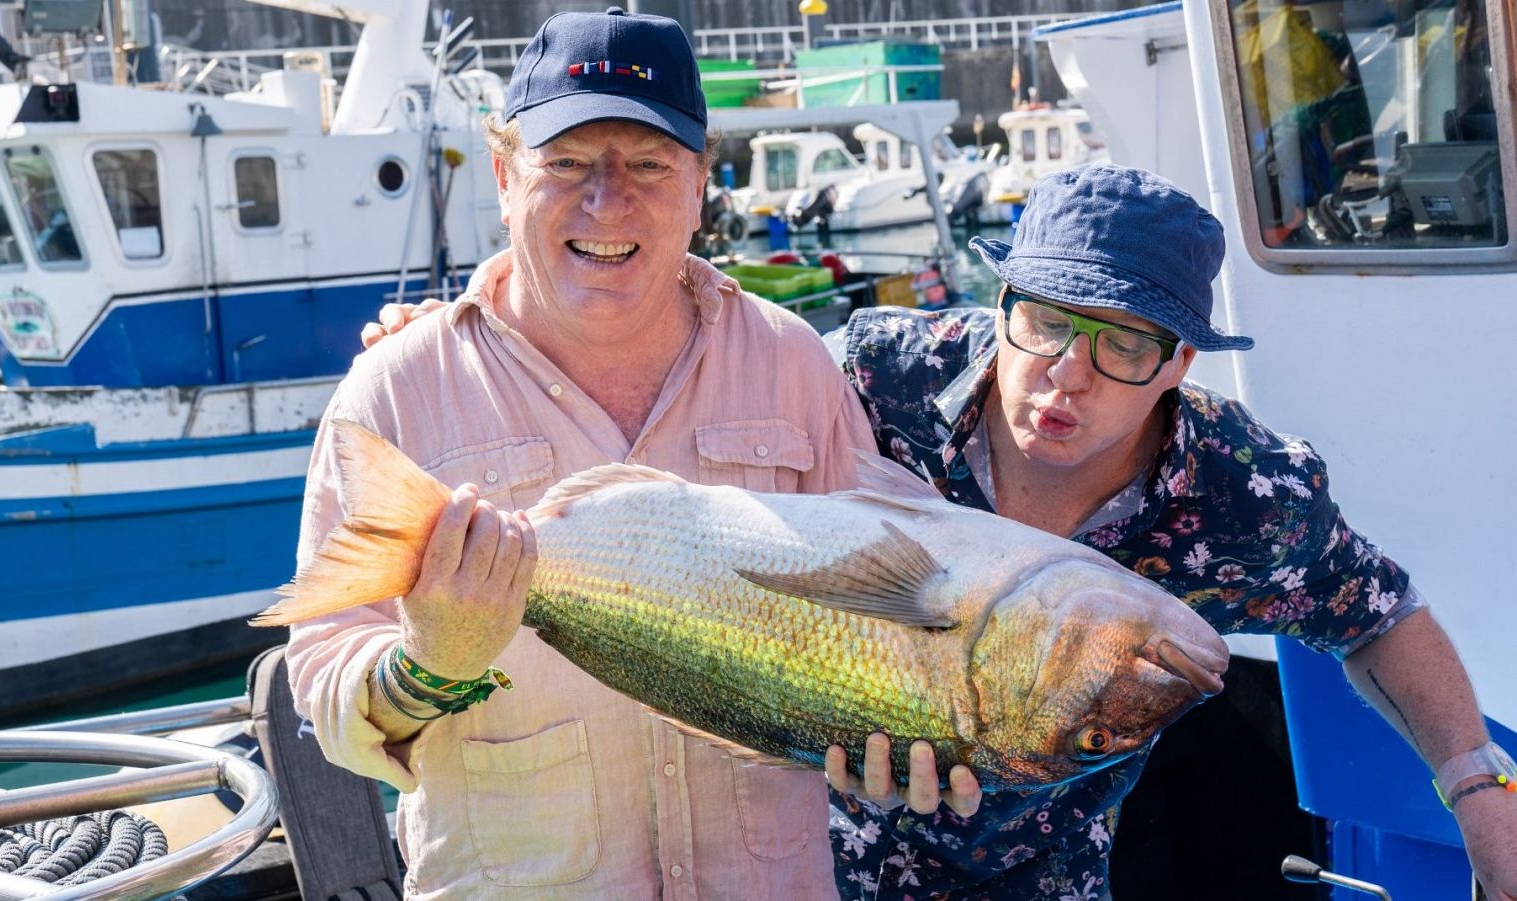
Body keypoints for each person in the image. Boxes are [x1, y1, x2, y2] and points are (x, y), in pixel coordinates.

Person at [285, 7, 880, 898]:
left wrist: (907, 733)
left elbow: (880, 600)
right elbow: (325, 682)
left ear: (701, 185)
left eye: (648, 163)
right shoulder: (392, 393)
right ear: (502, 174)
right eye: (565, 163)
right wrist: (429, 666)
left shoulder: (794, 361)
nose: (609, 200)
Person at [826, 164, 1516, 900]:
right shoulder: (871, 381)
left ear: (1179, 362)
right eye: (1047, 320)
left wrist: (1478, 787)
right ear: (1002, 306)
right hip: (791, 845)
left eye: (1122, 344)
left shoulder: (1242, 495)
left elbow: (1379, 616)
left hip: (1034, 880)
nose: (1067, 372)